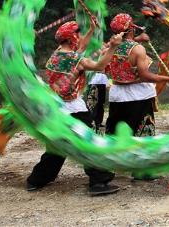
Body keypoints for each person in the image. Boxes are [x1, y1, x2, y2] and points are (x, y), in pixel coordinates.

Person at [27, 20, 122, 196]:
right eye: (77, 34)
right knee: (89, 141)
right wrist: (113, 47)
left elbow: (80, 48)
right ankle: (98, 182)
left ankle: (36, 179)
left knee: (57, 145)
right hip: (74, 108)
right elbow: (99, 66)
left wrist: (92, 29)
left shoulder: (56, 56)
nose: (79, 38)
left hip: (56, 107)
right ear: (72, 38)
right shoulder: (74, 59)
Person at [105, 13, 169, 179]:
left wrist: (137, 39)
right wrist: (166, 78)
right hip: (137, 95)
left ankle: (106, 167)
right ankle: (142, 171)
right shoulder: (138, 50)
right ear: (131, 29)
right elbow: (145, 76)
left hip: (117, 95)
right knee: (142, 133)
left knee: (116, 131)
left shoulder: (111, 46)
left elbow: (125, 46)